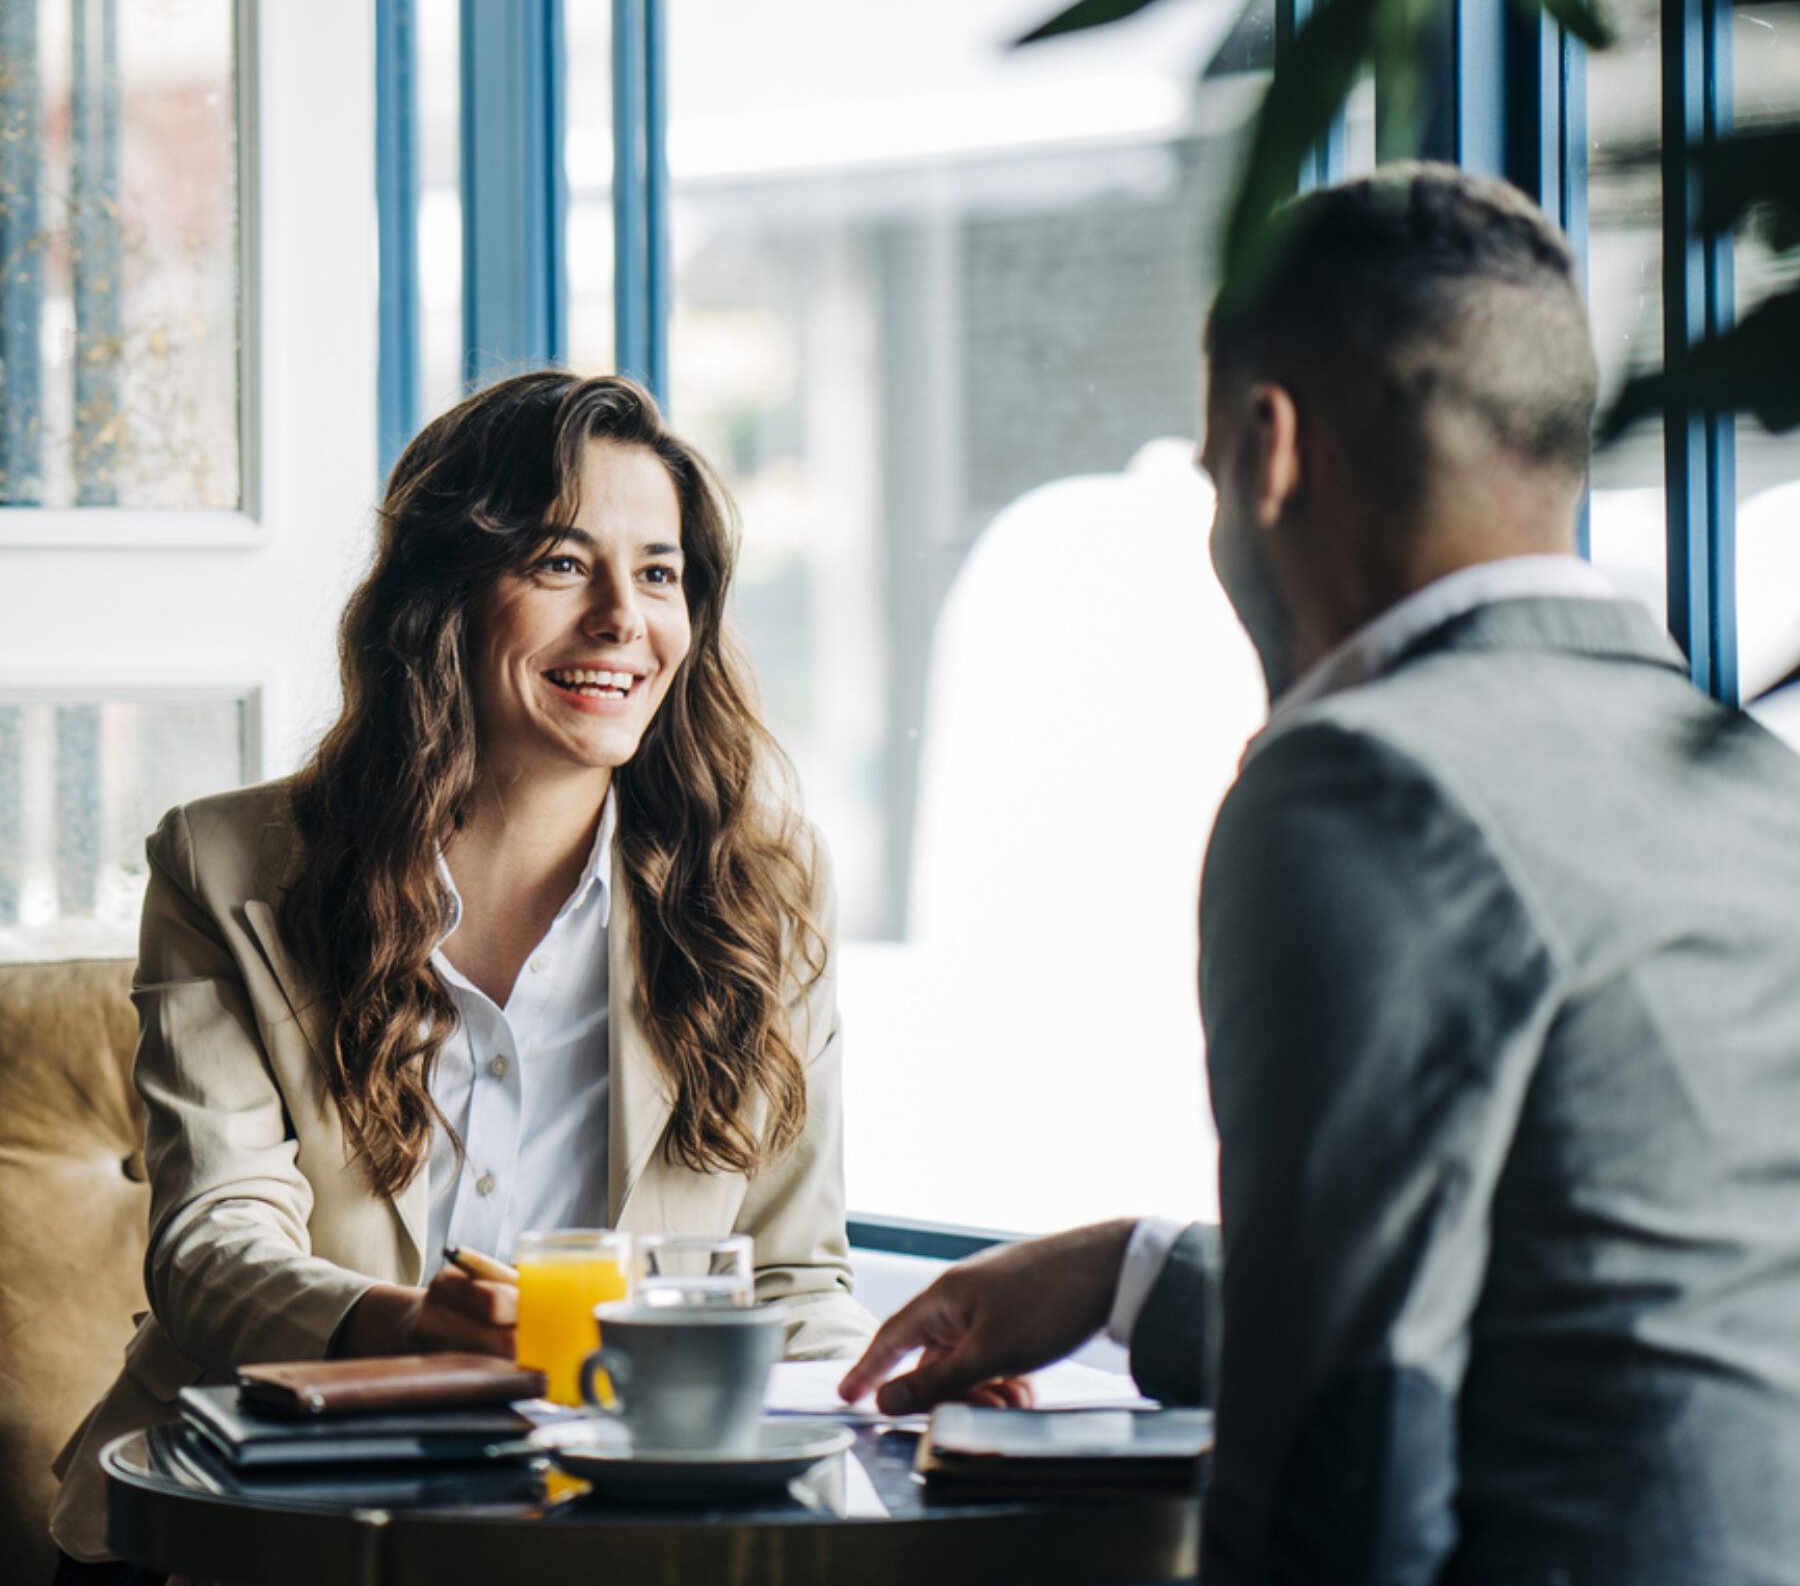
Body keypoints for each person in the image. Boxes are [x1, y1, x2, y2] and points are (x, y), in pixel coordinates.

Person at [841, 165, 1800, 1582]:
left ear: (1268, 446)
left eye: (1211, 477)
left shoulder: (1365, 783)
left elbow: (1344, 1455)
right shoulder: (1747, 779)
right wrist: (1129, 1272)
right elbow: (1582, 1313)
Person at [52, 372, 873, 1574]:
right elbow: (211, 1250)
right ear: (443, 594)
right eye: (561, 564)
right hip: (253, 1518)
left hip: (598, 1535)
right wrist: (408, 1328)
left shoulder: (766, 893)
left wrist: (909, 1392)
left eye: (659, 573)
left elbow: (793, 1279)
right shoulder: (224, 866)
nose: (622, 620)